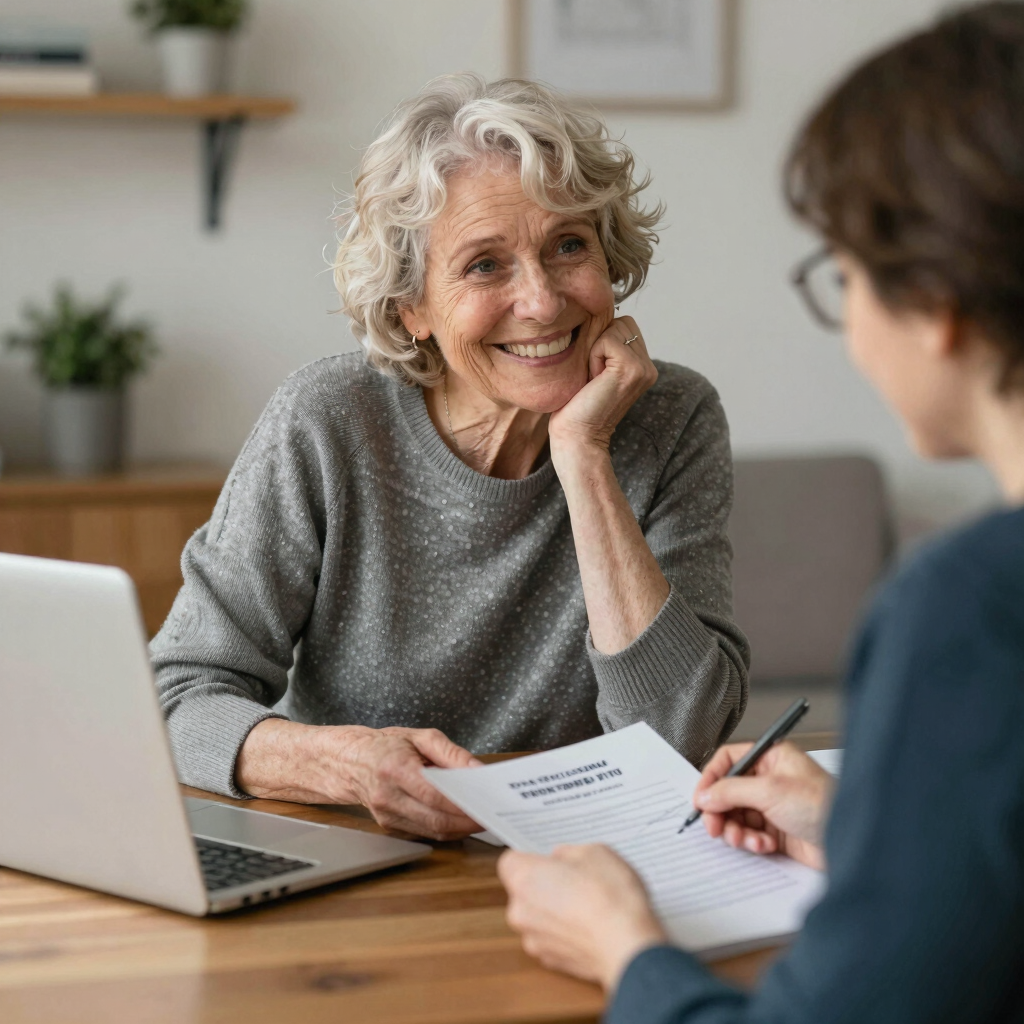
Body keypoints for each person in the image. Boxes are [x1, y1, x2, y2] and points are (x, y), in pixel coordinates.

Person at [498, 4, 1024, 1021]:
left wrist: (625, 947)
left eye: (843, 275)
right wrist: (869, 823)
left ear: (937, 301)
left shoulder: (971, 607)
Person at [150, 73, 750, 841]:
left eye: (569, 246)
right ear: (413, 308)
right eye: (484, 265)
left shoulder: (670, 416)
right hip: (361, 854)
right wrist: (341, 764)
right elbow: (178, 697)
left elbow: (680, 742)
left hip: (578, 863)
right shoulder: (331, 421)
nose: (540, 301)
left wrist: (583, 454)